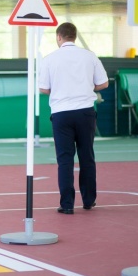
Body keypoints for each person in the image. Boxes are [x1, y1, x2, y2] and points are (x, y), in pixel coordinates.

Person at [38, 22, 109, 215]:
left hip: (61, 113)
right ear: (74, 36)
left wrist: (60, 90)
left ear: (59, 37)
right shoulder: (89, 56)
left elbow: (43, 88)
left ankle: (67, 204)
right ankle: (89, 201)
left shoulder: (49, 59)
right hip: (85, 112)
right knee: (87, 157)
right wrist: (86, 87)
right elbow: (103, 83)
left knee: (65, 160)